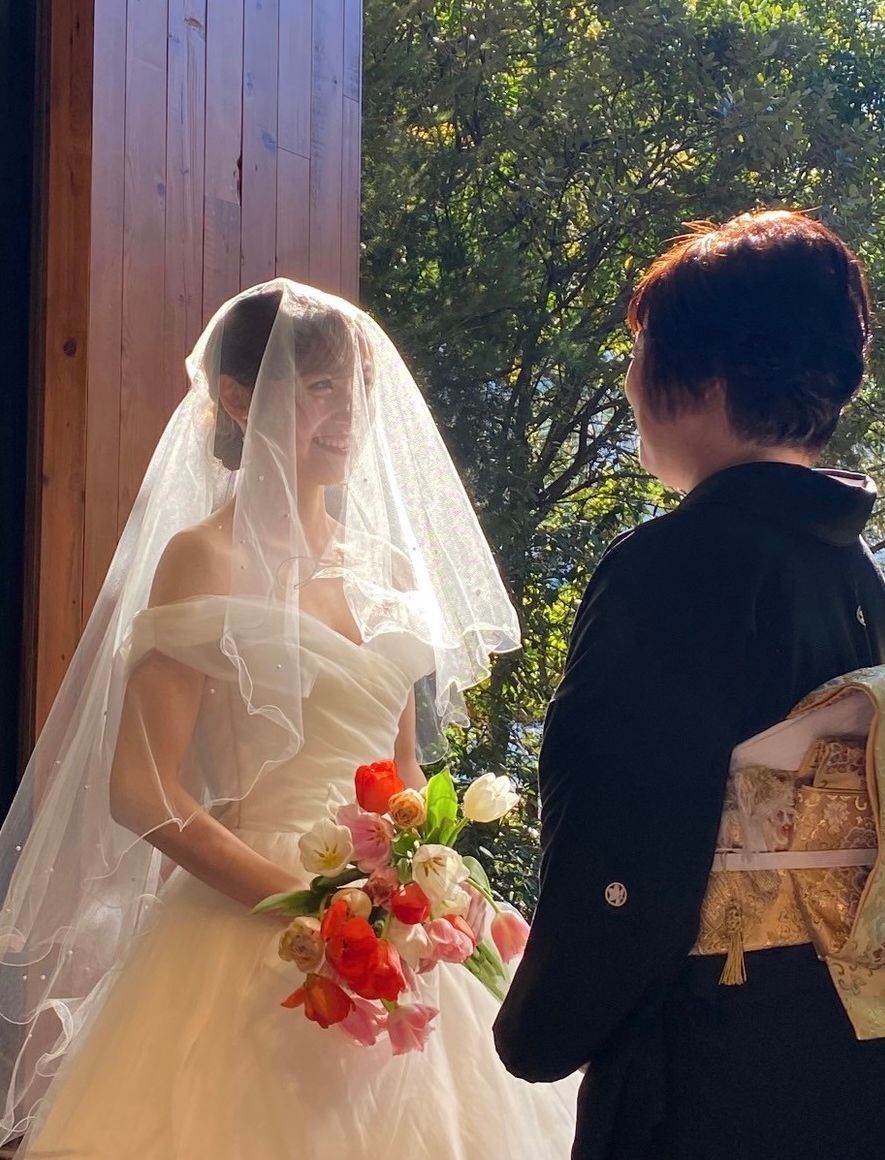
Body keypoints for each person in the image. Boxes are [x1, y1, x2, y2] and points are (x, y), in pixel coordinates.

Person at [0, 281, 580, 1158]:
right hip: (249, 924)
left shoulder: (384, 571)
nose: (349, 413)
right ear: (239, 400)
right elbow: (140, 790)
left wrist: (432, 888)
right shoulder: (204, 557)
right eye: (320, 387)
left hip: (393, 923)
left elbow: (403, 777)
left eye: (358, 387)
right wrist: (305, 905)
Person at [494, 210, 885, 1159]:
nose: (629, 382)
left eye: (640, 354)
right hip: (854, 1034)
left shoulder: (672, 567)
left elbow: (622, 824)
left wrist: (543, 1019)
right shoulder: (857, 569)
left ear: (705, 380)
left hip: (715, 1046)